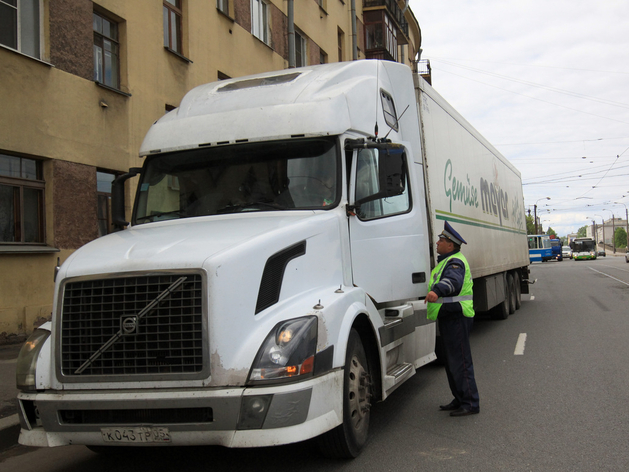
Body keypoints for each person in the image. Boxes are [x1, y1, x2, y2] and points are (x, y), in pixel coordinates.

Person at [424, 221, 480, 417]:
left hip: (457, 316)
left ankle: (470, 402)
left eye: (441, 239)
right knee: (451, 360)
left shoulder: (455, 262)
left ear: (450, 244)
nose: (437, 242)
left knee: (460, 361)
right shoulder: (446, 261)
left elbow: (453, 283)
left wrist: (436, 291)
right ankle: (459, 398)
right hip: (449, 316)